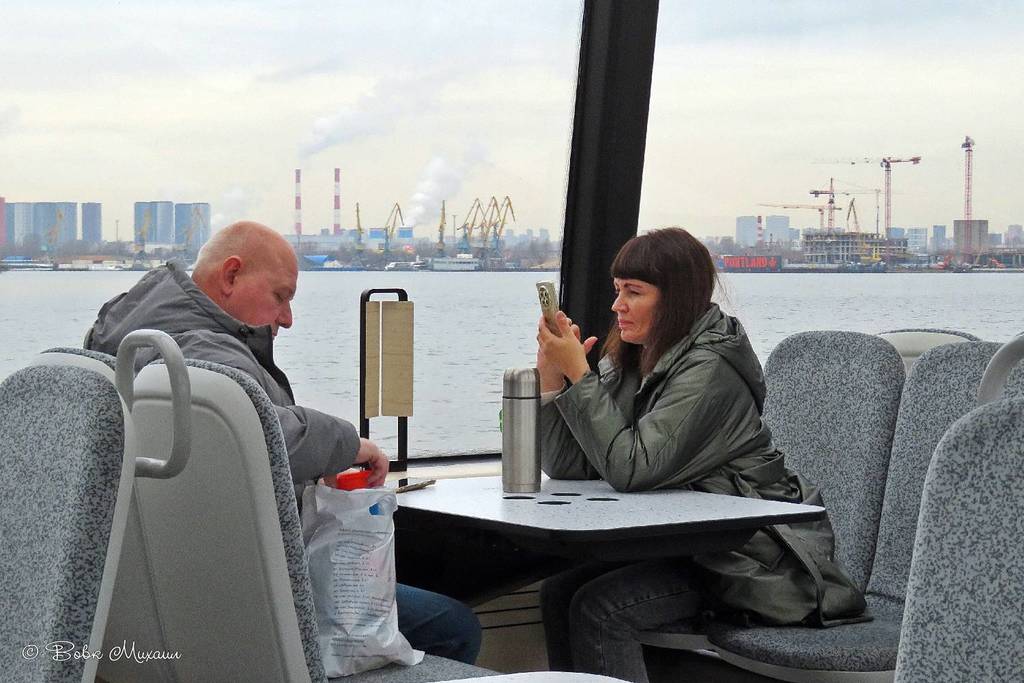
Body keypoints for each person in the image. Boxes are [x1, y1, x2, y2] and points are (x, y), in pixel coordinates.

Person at [86, 220, 481, 664]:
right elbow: (259, 430)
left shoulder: (126, 339)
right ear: (231, 275)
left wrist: (316, 467)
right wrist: (349, 445)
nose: (288, 319)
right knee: (454, 627)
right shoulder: (200, 354)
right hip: (244, 590)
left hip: (173, 587)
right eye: (281, 296)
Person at [535, 228, 866, 683]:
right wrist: (552, 380)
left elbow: (631, 468)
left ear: (675, 298)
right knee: (558, 591)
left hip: (753, 555)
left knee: (601, 607)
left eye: (634, 292)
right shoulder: (638, 356)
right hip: (691, 546)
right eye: (617, 290)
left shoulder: (710, 368)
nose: (617, 306)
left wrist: (580, 374)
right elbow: (569, 465)